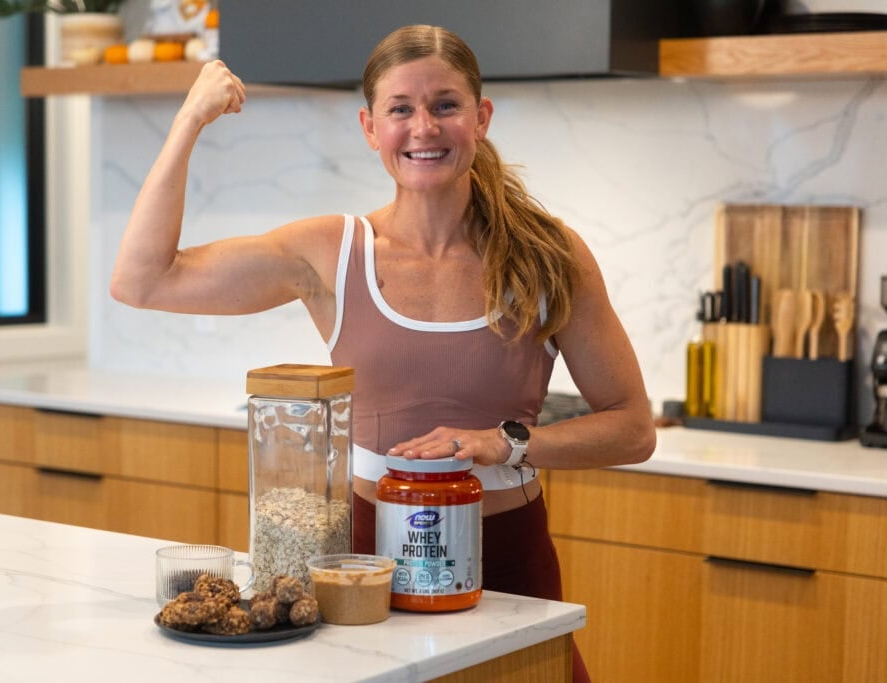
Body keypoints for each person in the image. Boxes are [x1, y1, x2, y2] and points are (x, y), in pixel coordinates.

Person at [111, 24, 655, 682]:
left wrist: (502, 442)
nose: (424, 127)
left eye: (445, 105)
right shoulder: (332, 252)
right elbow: (142, 280)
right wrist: (190, 120)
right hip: (364, 569)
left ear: (481, 118)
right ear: (371, 128)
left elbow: (633, 428)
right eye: (401, 109)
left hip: (509, 562)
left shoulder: (548, 254)